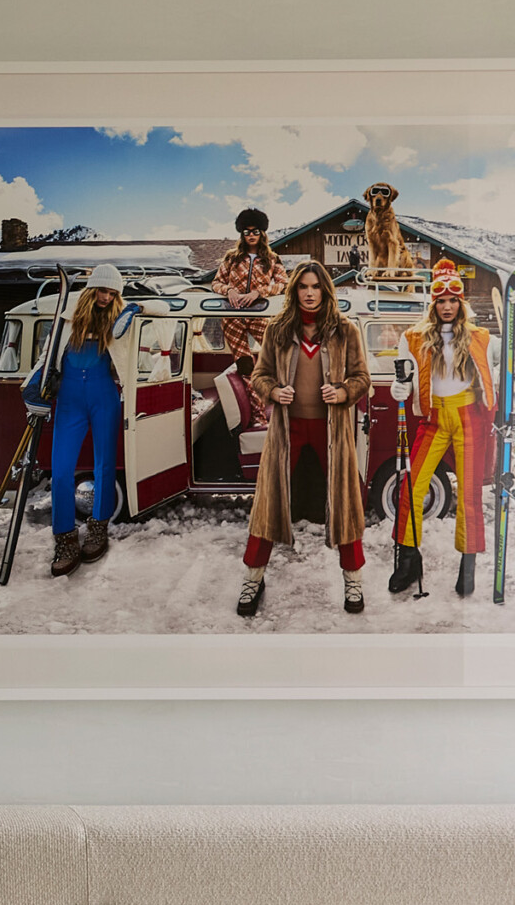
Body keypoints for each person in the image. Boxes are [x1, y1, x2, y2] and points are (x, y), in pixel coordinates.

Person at [238, 260, 370, 618]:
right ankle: (253, 577)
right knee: (267, 503)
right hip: (287, 430)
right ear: (294, 290)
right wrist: (273, 390)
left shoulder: (345, 331)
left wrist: (342, 392)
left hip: (333, 432)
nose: (309, 294)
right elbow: (260, 375)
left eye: (315, 287)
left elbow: (361, 379)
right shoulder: (278, 330)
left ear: (325, 290)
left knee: (345, 503)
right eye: (303, 287)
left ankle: (353, 579)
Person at [389, 259, 497, 598]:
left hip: (469, 416)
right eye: (441, 301)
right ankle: (408, 559)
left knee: (469, 493)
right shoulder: (414, 337)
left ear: (461, 303)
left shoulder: (481, 337)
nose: (447, 307)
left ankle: (468, 564)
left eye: (453, 300)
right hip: (434, 418)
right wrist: (400, 388)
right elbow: (404, 377)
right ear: (432, 303)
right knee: (411, 488)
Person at [23, 264, 128, 577]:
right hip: (69, 398)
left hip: (104, 395)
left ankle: (98, 527)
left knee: (104, 465)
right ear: (91, 289)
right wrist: (33, 385)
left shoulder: (119, 321)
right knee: (62, 468)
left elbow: (147, 324)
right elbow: (48, 356)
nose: (107, 297)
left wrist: (134, 308)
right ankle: (65, 537)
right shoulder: (67, 319)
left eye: (113, 293)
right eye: (103, 290)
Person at [208, 207, 288, 369]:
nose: (251, 235)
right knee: (244, 364)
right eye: (247, 232)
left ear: (262, 233)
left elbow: (284, 284)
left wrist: (259, 292)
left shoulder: (272, 259)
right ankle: (250, 394)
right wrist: (229, 290)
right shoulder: (232, 257)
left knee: (277, 355)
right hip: (232, 316)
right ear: (242, 235)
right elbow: (216, 283)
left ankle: (274, 392)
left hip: (259, 314)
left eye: (255, 232)